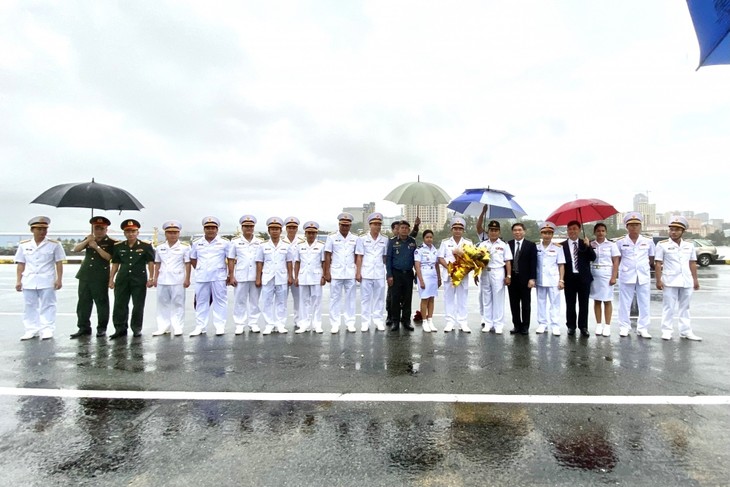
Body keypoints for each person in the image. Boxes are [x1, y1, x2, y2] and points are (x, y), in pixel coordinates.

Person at [14, 216, 66, 341]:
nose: (42, 232)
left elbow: (59, 262)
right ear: (32, 230)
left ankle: (47, 328)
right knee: (29, 305)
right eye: (39, 229)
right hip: (29, 279)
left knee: (48, 305)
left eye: (44, 229)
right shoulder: (24, 245)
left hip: (47, 279)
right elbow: (21, 263)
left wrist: (59, 279)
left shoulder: (54, 245)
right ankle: (31, 329)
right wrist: (18, 280)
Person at [655, 216, 702, 341]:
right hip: (670, 281)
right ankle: (666, 331)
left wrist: (695, 280)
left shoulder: (689, 245)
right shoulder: (662, 245)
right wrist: (658, 280)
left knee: (685, 307)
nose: (673, 232)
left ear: (683, 231)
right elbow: (658, 263)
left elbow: (692, 263)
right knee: (668, 307)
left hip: (686, 280)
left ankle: (685, 331)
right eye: (671, 230)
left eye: (676, 230)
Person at [108, 219, 155, 339]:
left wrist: (151, 277)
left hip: (138, 279)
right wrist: (111, 278)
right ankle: (120, 329)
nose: (131, 234)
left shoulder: (145, 246)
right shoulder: (118, 246)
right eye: (128, 231)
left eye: (133, 231)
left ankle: (136, 328)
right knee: (119, 304)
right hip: (122, 279)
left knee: (138, 305)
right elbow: (115, 264)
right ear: (124, 233)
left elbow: (150, 262)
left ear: (138, 232)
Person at [70, 216, 116, 338]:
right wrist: (87, 241)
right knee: (83, 304)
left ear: (106, 229)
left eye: (102, 228)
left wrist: (96, 247)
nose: (99, 231)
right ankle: (83, 327)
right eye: (96, 228)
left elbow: (109, 258)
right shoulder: (89, 239)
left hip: (100, 276)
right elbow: (76, 249)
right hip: (85, 275)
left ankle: (101, 328)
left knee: (101, 304)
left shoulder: (112, 242)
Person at [615, 212, 655, 339]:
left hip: (643, 275)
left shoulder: (648, 241)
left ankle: (643, 328)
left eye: (637, 225)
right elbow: (617, 258)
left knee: (644, 302)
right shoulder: (620, 242)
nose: (634, 227)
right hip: (627, 274)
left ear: (640, 226)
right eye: (631, 225)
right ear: (627, 227)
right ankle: (624, 327)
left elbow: (651, 258)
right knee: (624, 302)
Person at [189, 217, 230, 336]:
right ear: (204, 229)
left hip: (219, 276)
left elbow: (230, 259)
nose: (210, 230)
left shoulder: (224, 243)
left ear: (217, 230)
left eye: (213, 228)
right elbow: (193, 259)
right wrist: (201, 269)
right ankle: (200, 326)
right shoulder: (197, 243)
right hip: (202, 276)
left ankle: (220, 326)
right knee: (201, 302)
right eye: (208, 228)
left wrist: (230, 274)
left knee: (220, 301)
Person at [151, 220, 191, 337]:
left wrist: (187, 278)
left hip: (178, 279)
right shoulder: (160, 247)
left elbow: (187, 263)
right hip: (163, 278)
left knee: (178, 303)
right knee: (162, 303)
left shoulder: (185, 247)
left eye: (175, 232)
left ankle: (178, 326)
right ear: (165, 234)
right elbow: (157, 263)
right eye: (170, 232)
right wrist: (155, 278)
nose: (172, 235)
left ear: (178, 234)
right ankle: (163, 327)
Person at [228, 215, 263, 334]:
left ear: (254, 227)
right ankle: (239, 324)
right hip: (241, 275)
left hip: (255, 276)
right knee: (239, 300)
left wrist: (260, 277)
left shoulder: (260, 242)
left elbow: (261, 260)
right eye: (246, 226)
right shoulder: (235, 242)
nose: (248, 228)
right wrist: (231, 276)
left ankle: (253, 323)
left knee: (254, 300)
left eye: (251, 226)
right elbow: (231, 259)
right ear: (242, 227)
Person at [476, 220, 513, 334]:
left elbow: (507, 261)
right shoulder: (482, 244)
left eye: (496, 230)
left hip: (498, 272)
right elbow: (477, 261)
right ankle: (488, 323)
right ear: (488, 231)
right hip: (485, 272)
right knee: (486, 299)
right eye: (491, 230)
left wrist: (508, 275)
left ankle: (498, 324)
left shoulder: (503, 245)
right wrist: (476, 273)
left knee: (498, 299)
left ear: (499, 232)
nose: (493, 232)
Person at [324, 212, 358, 333]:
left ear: (350, 226)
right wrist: (326, 272)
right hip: (336, 272)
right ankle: (335, 323)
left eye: (347, 225)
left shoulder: (355, 238)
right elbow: (327, 255)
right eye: (342, 225)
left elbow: (356, 256)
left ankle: (350, 323)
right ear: (339, 225)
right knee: (335, 298)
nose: (344, 227)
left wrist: (357, 271)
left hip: (350, 272)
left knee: (350, 298)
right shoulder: (331, 237)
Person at [561, 220, 596, 337]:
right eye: (570, 229)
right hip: (569, 278)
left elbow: (593, 258)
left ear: (579, 230)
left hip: (583, 278)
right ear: (567, 231)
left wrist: (588, 246)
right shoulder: (562, 245)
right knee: (570, 303)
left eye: (575, 229)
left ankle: (583, 327)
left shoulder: (584, 243)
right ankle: (571, 326)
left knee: (584, 304)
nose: (572, 231)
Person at [438, 217, 473, 333]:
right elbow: (440, 257)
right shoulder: (445, 242)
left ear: (463, 230)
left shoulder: (468, 243)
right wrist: (450, 268)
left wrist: (463, 270)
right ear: (451, 229)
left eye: (460, 229)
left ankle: (463, 322)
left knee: (462, 299)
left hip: (462, 275)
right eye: (455, 228)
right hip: (449, 275)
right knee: (449, 298)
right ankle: (450, 322)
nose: (457, 230)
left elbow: (472, 260)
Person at [256, 217, 290, 335]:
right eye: (272, 229)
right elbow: (259, 262)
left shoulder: (286, 245)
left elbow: (289, 262)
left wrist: (290, 276)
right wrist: (258, 278)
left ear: (281, 231)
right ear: (269, 231)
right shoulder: (262, 245)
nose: (275, 231)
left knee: (282, 302)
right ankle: (269, 324)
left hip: (282, 277)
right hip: (267, 277)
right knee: (267, 301)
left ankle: (280, 324)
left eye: (277, 229)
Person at [356, 212, 388, 332]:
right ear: (370, 225)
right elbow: (359, 256)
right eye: (375, 224)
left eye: (379, 224)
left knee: (379, 298)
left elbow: (385, 257)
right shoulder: (362, 238)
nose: (377, 226)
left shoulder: (385, 239)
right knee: (365, 298)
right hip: (366, 272)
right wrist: (358, 272)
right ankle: (365, 322)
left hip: (379, 272)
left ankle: (378, 320)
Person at [386, 216, 420, 326]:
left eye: (406, 228)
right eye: (402, 227)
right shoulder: (392, 242)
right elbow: (389, 260)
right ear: (398, 229)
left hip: (408, 274)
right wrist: (389, 275)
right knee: (395, 298)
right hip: (396, 274)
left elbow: (416, 259)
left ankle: (406, 321)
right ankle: (395, 321)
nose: (404, 229)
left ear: (409, 230)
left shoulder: (412, 242)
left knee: (407, 298)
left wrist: (416, 273)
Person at [292, 221, 326, 333]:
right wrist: (296, 277)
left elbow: (324, 262)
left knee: (316, 301)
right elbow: (297, 262)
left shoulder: (321, 246)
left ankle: (317, 324)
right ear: (305, 233)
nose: (311, 235)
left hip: (316, 276)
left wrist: (324, 276)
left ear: (316, 234)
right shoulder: (299, 246)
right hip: (303, 277)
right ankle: (304, 324)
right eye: (309, 233)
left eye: (313, 233)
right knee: (303, 301)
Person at [534, 222, 565, 335]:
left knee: (555, 303)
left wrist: (561, 280)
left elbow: (561, 265)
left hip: (553, 280)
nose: (546, 235)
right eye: (544, 233)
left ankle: (555, 325)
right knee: (541, 302)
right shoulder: (536, 247)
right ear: (541, 234)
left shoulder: (558, 248)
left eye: (549, 233)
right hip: (540, 279)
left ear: (552, 234)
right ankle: (542, 324)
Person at [590, 222, 620, 337]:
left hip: (607, 274)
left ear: (606, 232)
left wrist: (614, 276)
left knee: (607, 300)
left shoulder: (611, 245)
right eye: (598, 231)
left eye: (603, 231)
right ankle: (598, 324)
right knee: (597, 300)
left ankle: (607, 326)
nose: (600, 233)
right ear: (595, 232)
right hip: (594, 273)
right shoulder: (591, 244)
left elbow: (616, 261)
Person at [507, 222, 537, 335]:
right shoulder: (508, 244)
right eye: (515, 230)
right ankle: (516, 325)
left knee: (525, 304)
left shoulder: (530, 245)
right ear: (512, 232)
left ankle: (525, 326)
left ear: (524, 231)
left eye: (519, 230)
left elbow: (533, 263)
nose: (517, 232)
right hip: (512, 278)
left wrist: (532, 278)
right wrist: (507, 276)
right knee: (513, 303)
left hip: (525, 279)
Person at [414, 229, 441, 332]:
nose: (429, 239)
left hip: (433, 275)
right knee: (424, 299)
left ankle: (430, 320)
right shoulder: (419, 250)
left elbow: (436, 265)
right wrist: (421, 280)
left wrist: (439, 278)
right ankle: (424, 321)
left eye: (431, 237)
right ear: (424, 238)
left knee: (432, 299)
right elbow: (417, 266)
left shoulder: (434, 249)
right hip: (424, 275)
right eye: (427, 237)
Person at [283, 216, 303, 323]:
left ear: (297, 229)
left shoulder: (301, 241)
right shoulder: (281, 241)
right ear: (286, 228)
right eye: (289, 227)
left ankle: (298, 321)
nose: (291, 229)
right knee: (281, 300)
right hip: (283, 274)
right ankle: (279, 323)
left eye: (294, 227)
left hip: (298, 275)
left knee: (299, 299)